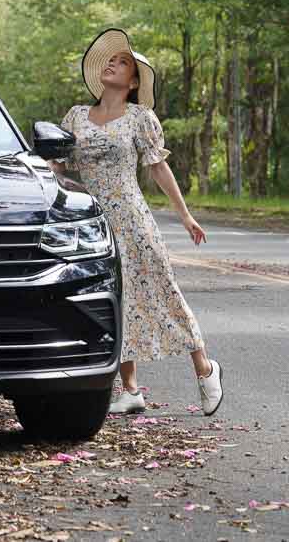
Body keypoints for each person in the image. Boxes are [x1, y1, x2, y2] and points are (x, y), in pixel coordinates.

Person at [53, 27, 224, 416]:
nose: (112, 65)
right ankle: (130, 389)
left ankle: (204, 368)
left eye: (122, 62)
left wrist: (186, 216)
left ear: (133, 82)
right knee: (116, 299)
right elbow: (57, 165)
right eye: (109, 61)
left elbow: (159, 168)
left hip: (132, 219)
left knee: (163, 291)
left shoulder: (139, 118)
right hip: (93, 221)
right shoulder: (76, 116)